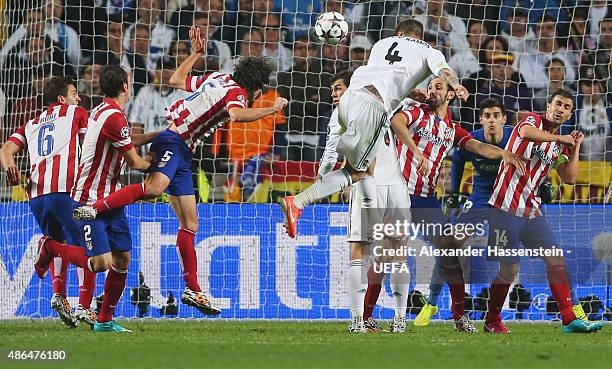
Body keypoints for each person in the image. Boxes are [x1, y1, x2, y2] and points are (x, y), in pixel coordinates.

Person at [71, 27, 287, 316]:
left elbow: (175, 79)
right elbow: (236, 115)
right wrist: (272, 109)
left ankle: (193, 290)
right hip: (175, 141)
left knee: (190, 223)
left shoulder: (217, 77)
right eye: (260, 91)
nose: (258, 96)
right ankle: (93, 209)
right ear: (255, 86)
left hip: (183, 150)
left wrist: (196, 54)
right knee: (154, 188)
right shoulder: (236, 93)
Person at [281, 19, 470, 240]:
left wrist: (408, 93)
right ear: (419, 37)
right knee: (358, 172)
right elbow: (444, 71)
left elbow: (380, 77)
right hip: (372, 107)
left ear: (398, 33)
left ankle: (358, 212)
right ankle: (298, 202)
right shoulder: (428, 50)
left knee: (361, 167)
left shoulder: (382, 43)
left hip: (348, 99)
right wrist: (455, 84)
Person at [364, 79, 527, 333]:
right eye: (430, 87)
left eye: (438, 87)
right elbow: (397, 123)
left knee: (450, 249)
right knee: (386, 253)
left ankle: (459, 316)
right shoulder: (417, 112)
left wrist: (504, 154)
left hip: (425, 199)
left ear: (451, 95)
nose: (432, 91)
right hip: (398, 193)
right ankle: (366, 317)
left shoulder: (452, 130)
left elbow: (480, 147)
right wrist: (417, 152)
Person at [33, 65, 156, 333]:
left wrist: (154, 136)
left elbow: (123, 141)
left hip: (111, 199)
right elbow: (134, 160)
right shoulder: (113, 117)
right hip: (89, 202)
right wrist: (155, 165)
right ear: (125, 86)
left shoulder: (103, 111)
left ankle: (104, 320)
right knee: (101, 263)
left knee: (122, 259)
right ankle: (52, 248)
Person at [486, 90, 604, 334]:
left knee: (556, 260)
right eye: (558, 103)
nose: (561, 109)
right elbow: (525, 133)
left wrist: (576, 146)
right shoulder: (533, 121)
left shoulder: (556, 147)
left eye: (567, 107)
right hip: (504, 207)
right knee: (509, 269)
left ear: (570, 114)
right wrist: (561, 140)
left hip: (531, 211)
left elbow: (569, 178)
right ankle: (492, 320)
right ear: (549, 105)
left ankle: (570, 320)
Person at [0, 76, 97, 328]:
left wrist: (10, 169)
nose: (79, 97)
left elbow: (5, 150)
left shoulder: (31, 123)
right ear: (62, 99)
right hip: (66, 189)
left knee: (59, 241)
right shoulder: (76, 112)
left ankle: (59, 295)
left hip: (37, 194)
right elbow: (91, 146)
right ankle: (85, 306)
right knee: (88, 249)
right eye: (75, 93)